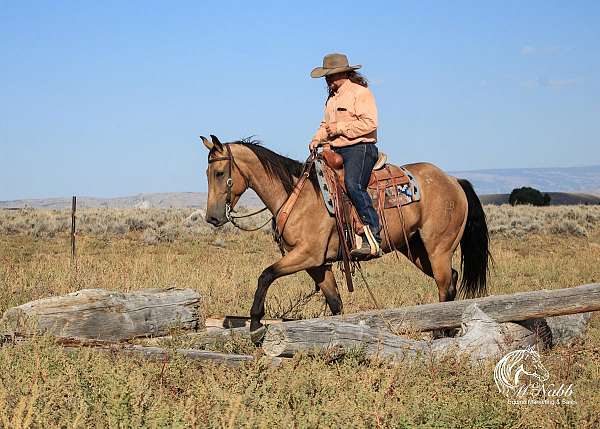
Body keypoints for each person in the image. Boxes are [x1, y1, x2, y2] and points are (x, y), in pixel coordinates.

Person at [309, 53, 382, 260]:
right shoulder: (332, 98)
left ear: (344, 73)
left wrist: (340, 128)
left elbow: (370, 123)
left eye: (331, 75)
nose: (328, 80)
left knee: (352, 184)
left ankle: (373, 234)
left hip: (360, 147)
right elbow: (325, 126)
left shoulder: (361, 93)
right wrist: (316, 139)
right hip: (336, 150)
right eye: (326, 76)